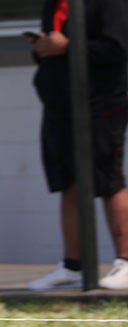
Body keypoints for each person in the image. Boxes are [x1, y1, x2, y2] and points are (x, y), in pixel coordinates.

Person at [26, 0, 128, 290]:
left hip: (100, 105)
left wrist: (68, 46)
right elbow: (56, 49)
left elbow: (117, 48)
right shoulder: (54, 4)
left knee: (109, 181)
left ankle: (125, 261)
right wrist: (42, 48)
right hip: (60, 105)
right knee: (67, 182)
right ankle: (73, 266)